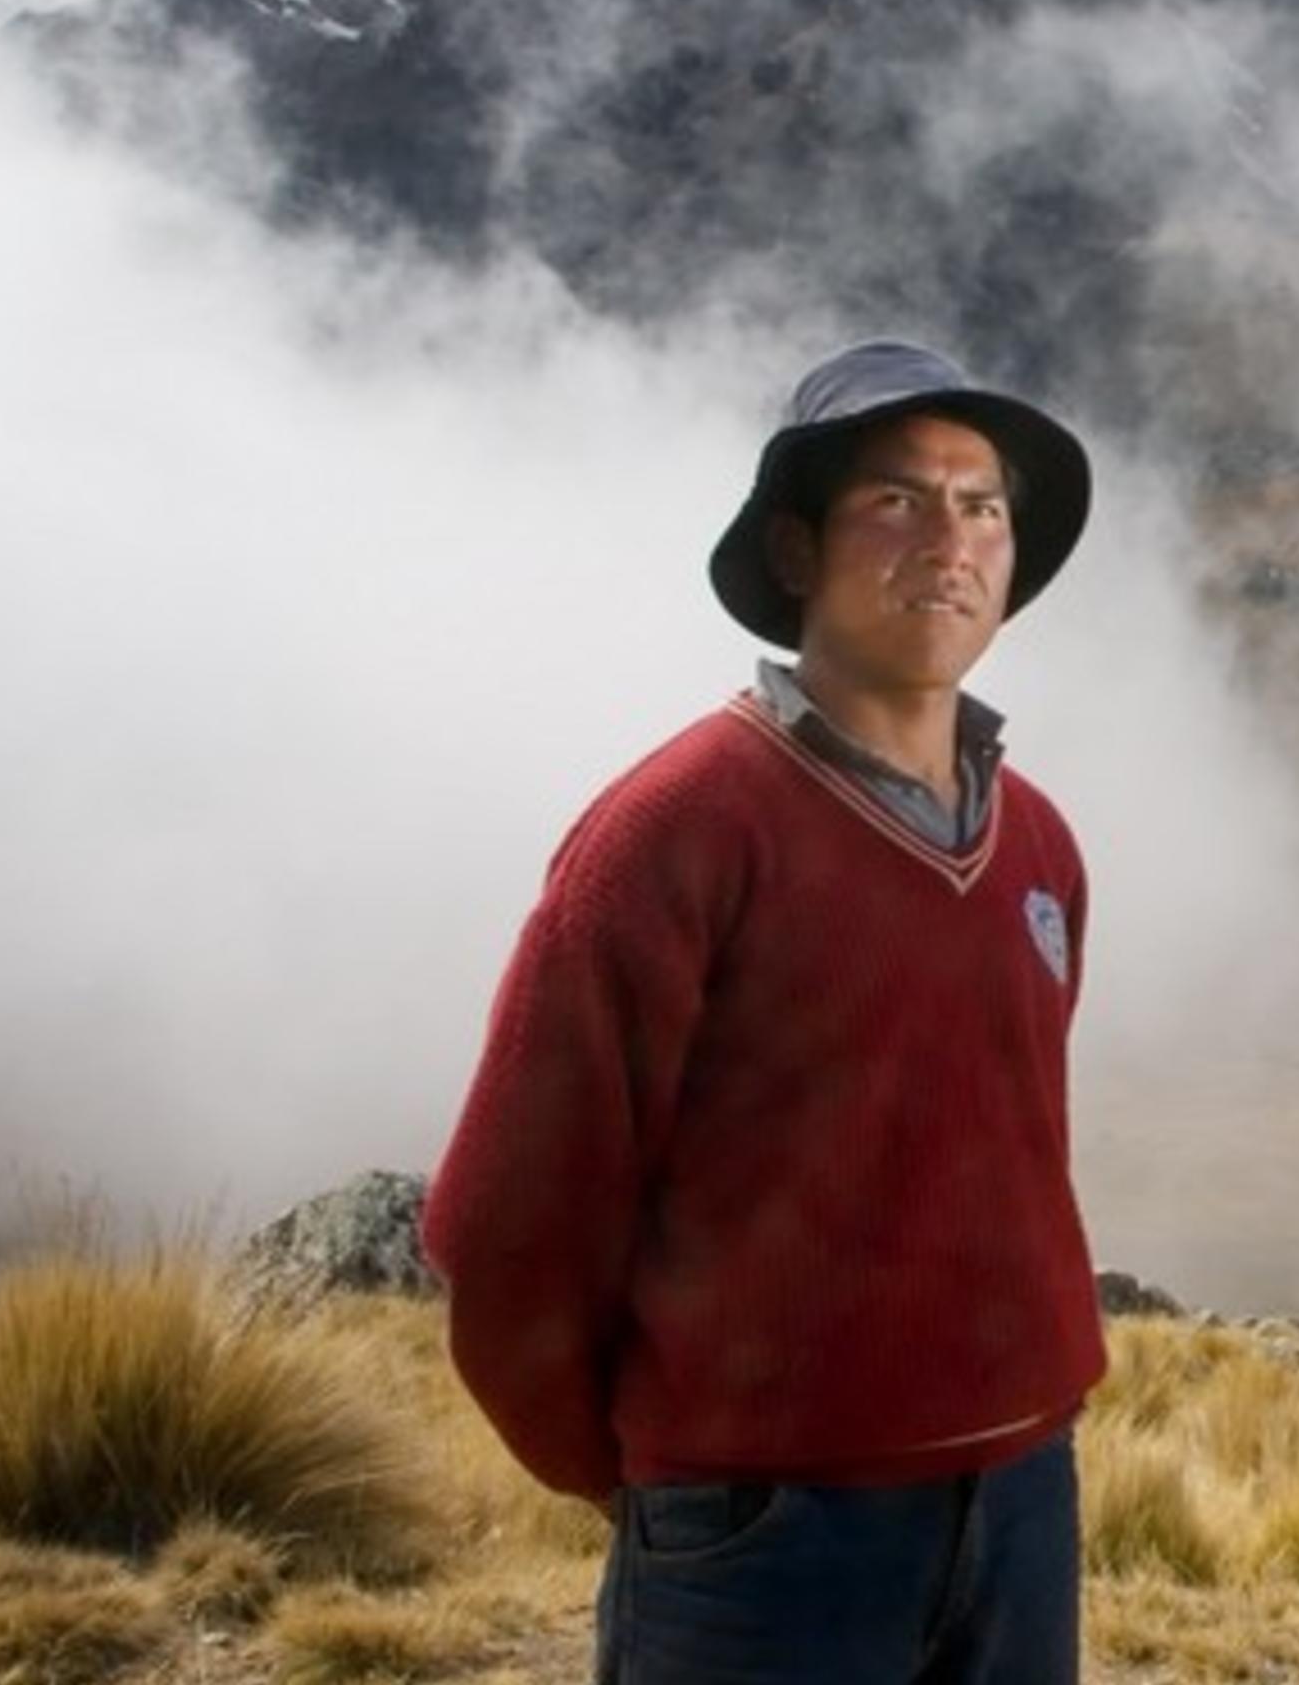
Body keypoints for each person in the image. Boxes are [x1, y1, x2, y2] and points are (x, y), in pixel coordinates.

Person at [425, 338, 1101, 1685]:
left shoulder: (1039, 845)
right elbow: (507, 1228)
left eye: (983, 507)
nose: (950, 540)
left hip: (1025, 1498)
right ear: (795, 551)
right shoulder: (672, 835)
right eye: (897, 499)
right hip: (765, 1534)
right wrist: (667, 1481)